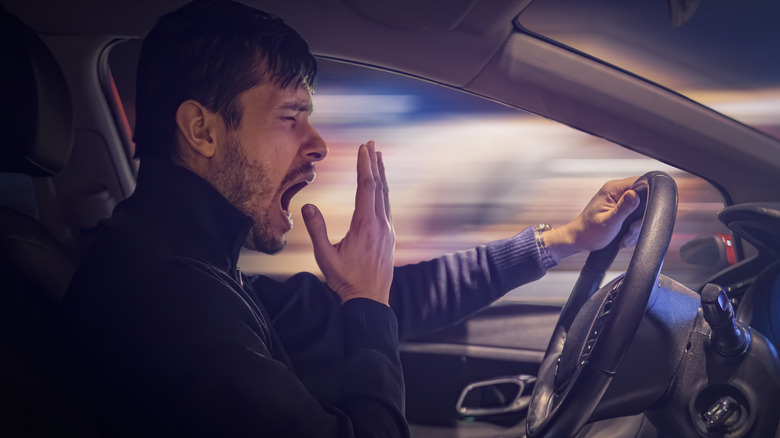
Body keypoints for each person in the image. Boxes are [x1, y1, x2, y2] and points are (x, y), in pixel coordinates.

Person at [62, 0, 642, 436]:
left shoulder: (192, 267)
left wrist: (564, 239)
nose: (317, 145)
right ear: (202, 130)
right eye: (291, 117)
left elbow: (397, 300)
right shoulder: (170, 301)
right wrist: (364, 305)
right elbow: (369, 317)